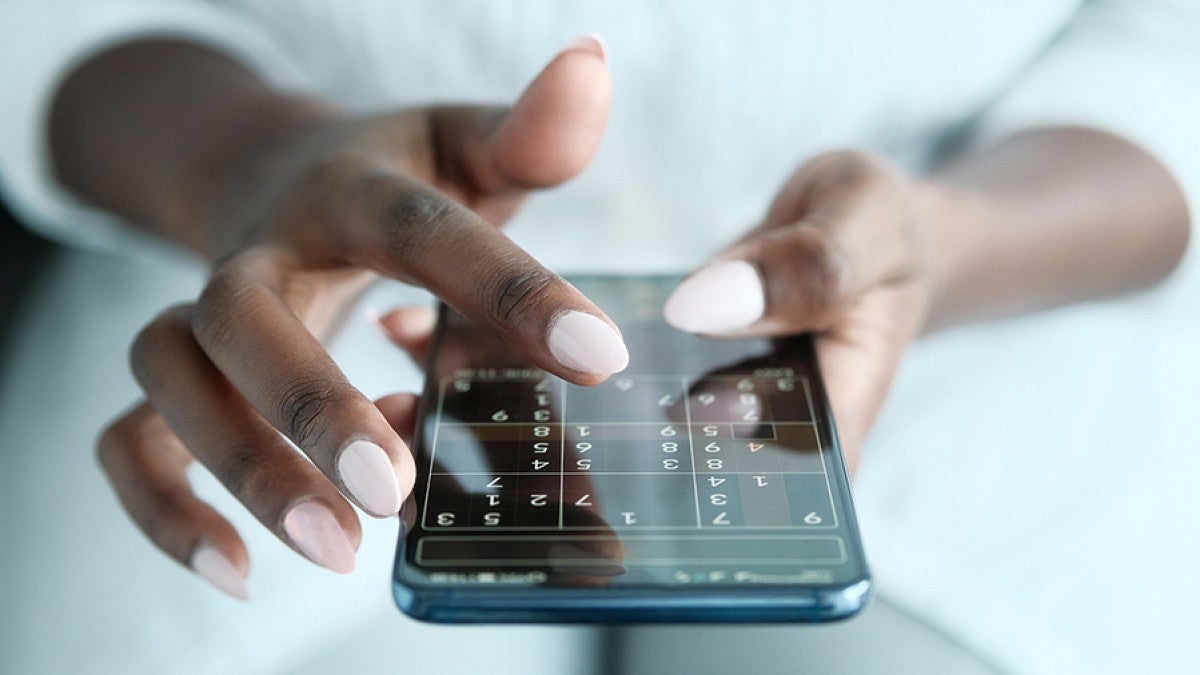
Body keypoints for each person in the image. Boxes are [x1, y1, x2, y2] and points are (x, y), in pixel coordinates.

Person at [1, 2, 1196, 673]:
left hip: (960, 342)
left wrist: (944, 241)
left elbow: (1161, 57)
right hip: (306, 298)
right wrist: (237, 160)